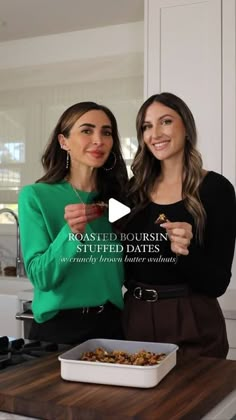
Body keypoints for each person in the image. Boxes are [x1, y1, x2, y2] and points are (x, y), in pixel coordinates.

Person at [122, 92, 236, 360]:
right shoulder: (132, 192)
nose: (155, 133)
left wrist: (185, 252)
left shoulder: (216, 189)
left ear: (186, 127)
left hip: (192, 319)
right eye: (147, 126)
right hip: (134, 319)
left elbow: (218, 282)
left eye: (166, 122)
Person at [18, 101, 128, 344]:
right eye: (87, 130)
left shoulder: (121, 200)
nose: (98, 140)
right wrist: (72, 234)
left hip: (113, 327)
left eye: (106, 132)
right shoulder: (36, 196)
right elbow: (41, 277)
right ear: (63, 141)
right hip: (59, 331)